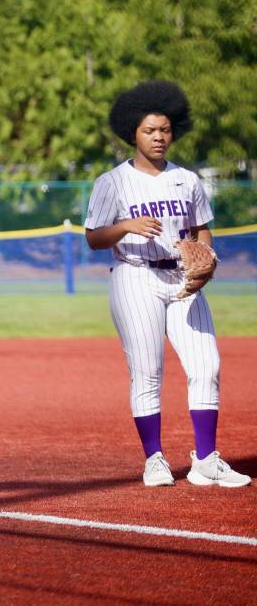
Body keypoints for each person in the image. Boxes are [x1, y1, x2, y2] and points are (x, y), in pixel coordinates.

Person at [84, 80, 250, 488]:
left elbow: (202, 230)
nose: (159, 137)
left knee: (206, 365)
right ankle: (154, 459)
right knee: (148, 371)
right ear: (133, 134)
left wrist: (206, 259)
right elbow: (93, 237)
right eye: (149, 130)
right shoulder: (113, 182)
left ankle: (206, 460)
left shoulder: (188, 180)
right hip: (135, 277)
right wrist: (125, 226)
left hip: (182, 279)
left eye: (164, 130)